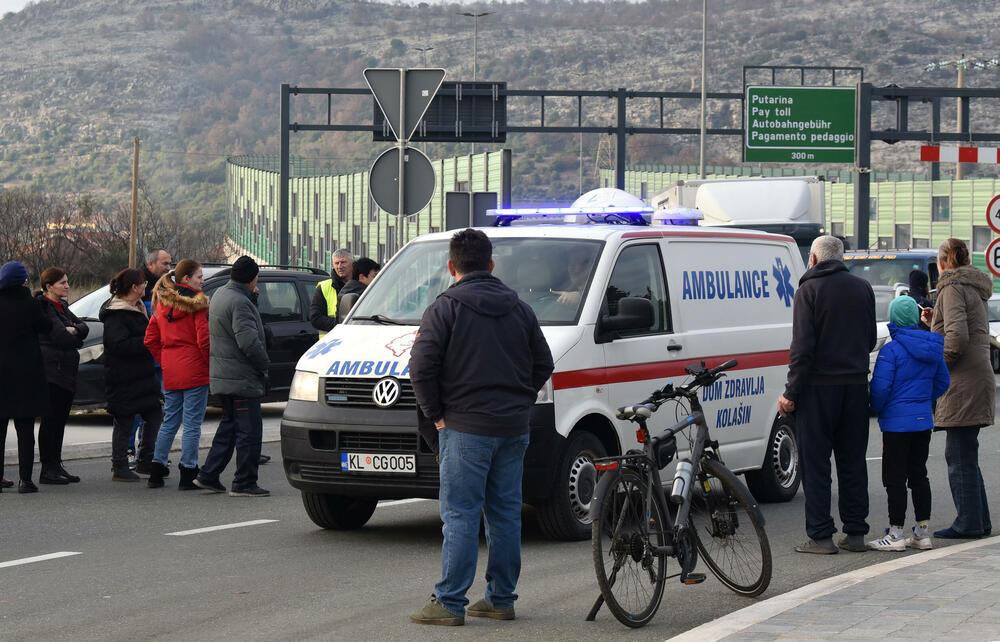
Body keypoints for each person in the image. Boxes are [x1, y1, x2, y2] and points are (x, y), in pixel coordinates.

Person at [408, 229, 554, 626]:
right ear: (491, 265)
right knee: (505, 514)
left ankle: (450, 603)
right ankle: (500, 599)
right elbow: (544, 363)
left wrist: (436, 414)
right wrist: (521, 398)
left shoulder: (445, 308)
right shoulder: (519, 308)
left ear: (451, 266)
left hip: (464, 426)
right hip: (512, 426)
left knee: (460, 515)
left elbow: (420, 367)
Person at [778, 235, 877, 555]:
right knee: (852, 461)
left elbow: (802, 348)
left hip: (819, 389)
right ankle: (856, 533)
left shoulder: (809, 290)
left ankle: (821, 536)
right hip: (855, 387)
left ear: (814, 259)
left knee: (815, 462)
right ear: (842, 258)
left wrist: (791, 392)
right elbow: (870, 337)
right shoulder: (862, 288)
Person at [920, 238, 994, 539]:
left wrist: (939, 367)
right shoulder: (973, 287)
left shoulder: (950, 288)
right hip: (977, 375)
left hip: (963, 380)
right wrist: (932, 322)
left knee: (959, 455)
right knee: (966, 453)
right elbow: (961, 329)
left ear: (942, 262)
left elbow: (957, 339)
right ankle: (979, 520)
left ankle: (969, 523)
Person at [867, 296, 949, 551]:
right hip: (922, 421)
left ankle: (895, 533)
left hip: (896, 425)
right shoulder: (933, 346)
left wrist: (877, 408)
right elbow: (943, 381)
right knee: (919, 475)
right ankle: (923, 532)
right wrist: (923, 400)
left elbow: (880, 389)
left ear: (894, 318)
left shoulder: (891, 350)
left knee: (895, 477)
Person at [193, 256, 270, 497]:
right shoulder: (240, 302)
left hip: (224, 376)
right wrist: (264, 365)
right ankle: (244, 482)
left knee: (229, 429)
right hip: (241, 378)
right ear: (252, 278)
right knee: (249, 432)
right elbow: (248, 341)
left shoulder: (221, 295)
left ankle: (209, 475)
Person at [144, 259, 210, 490]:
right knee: (192, 424)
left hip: (171, 369)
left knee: (170, 420)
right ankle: (188, 471)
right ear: (186, 279)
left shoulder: (161, 305)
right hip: (194, 368)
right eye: (199, 277)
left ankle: (156, 468)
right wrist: (208, 364)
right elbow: (204, 340)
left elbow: (150, 339)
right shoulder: (197, 305)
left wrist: (166, 361)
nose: (203, 281)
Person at [101, 268, 162, 482]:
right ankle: (119, 465)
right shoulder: (116, 313)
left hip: (142, 375)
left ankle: (146, 459)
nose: (146, 287)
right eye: (143, 284)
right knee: (124, 420)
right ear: (134, 288)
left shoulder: (137, 308)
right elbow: (118, 345)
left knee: (154, 414)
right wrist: (147, 342)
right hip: (123, 376)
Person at [0, 261, 52, 493]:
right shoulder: (29, 303)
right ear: (22, 280)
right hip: (26, 374)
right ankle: (25, 480)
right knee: (25, 429)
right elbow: (45, 326)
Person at [36, 267, 90, 485]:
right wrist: (72, 333)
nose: (67, 286)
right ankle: (47, 469)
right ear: (49, 286)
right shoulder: (44, 307)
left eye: (67, 282)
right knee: (50, 421)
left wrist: (74, 331)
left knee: (60, 421)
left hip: (65, 371)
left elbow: (84, 329)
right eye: (62, 283)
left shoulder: (62, 307)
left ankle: (56, 464)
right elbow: (60, 337)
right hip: (52, 371)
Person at [310, 249, 354, 336]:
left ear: (353, 263)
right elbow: (315, 318)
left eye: (343, 262)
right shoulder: (323, 287)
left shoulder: (362, 284)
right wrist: (341, 325)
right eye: (336, 263)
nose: (340, 266)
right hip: (331, 344)